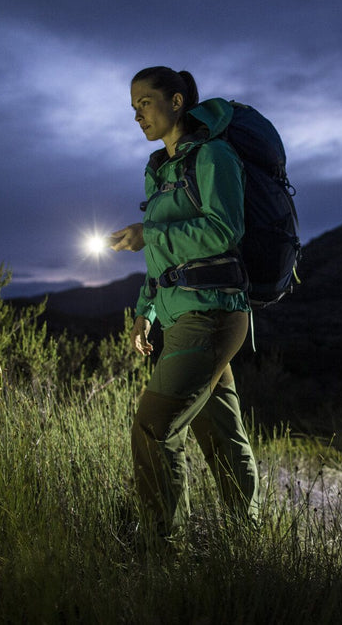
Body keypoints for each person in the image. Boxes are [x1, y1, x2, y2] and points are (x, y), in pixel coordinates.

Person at [110, 66, 259, 544]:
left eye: (145, 103)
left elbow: (224, 231)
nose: (138, 115)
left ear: (176, 102)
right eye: (133, 108)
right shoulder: (159, 171)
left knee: (154, 428)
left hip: (214, 313)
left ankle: (162, 550)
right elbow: (161, 258)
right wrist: (144, 313)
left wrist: (148, 233)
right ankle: (247, 539)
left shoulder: (214, 157)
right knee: (220, 434)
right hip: (180, 318)